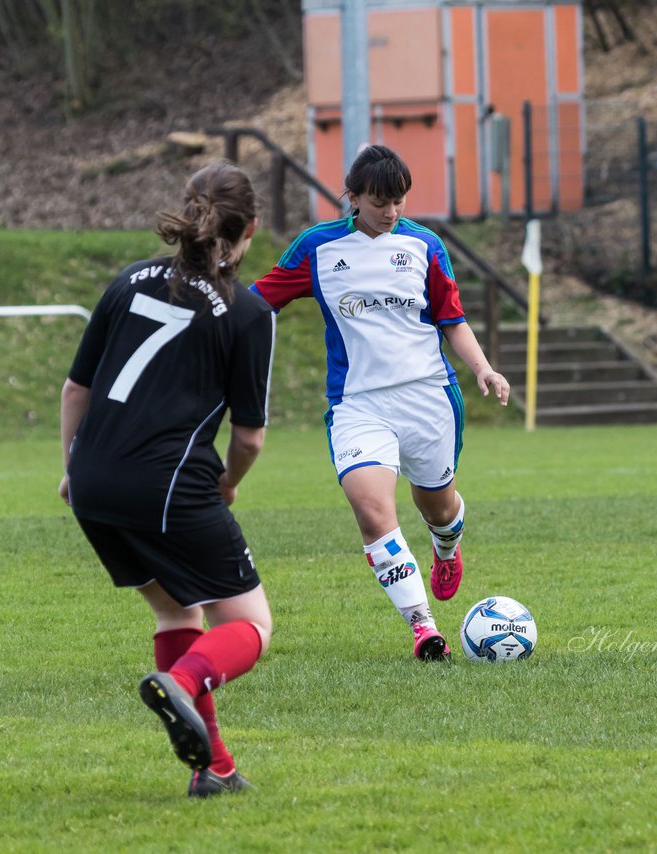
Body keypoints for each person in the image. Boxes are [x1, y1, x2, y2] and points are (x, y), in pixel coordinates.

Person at [58, 162, 276, 797]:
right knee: (252, 625)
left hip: (94, 486)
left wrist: (72, 469)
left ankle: (216, 767)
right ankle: (182, 682)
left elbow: (77, 388)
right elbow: (249, 436)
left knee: (174, 607)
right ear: (250, 229)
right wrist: (229, 483)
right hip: (168, 486)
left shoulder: (128, 280)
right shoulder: (247, 309)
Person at [252, 144, 510, 661]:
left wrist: (483, 367)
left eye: (398, 201)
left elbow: (451, 320)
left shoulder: (425, 245)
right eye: (378, 202)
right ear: (352, 196)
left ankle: (447, 547)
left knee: (436, 505)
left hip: (428, 398)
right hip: (357, 404)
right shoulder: (318, 248)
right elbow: (257, 301)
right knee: (372, 510)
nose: (390, 211)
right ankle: (423, 627)